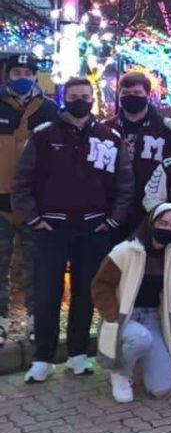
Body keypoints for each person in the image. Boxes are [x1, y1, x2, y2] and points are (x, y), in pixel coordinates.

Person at [15, 76, 134, 383]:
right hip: (51, 228)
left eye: (85, 95)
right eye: (74, 95)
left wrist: (112, 222)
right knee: (47, 294)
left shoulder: (110, 137)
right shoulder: (43, 135)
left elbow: (124, 185)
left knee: (85, 293)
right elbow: (23, 182)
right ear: (64, 98)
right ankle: (43, 357)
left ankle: (78, 354)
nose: (80, 100)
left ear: (93, 99)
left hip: (94, 229)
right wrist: (33, 219)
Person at [91, 203, 171, 403]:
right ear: (151, 222)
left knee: (163, 390)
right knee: (141, 339)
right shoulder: (125, 250)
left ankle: (138, 362)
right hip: (125, 316)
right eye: (163, 222)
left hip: (152, 318)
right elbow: (101, 285)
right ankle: (120, 372)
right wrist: (112, 315)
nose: (167, 228)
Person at [0, 53, 56, 347]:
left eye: (27, 72)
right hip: (0, 201)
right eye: (16, 72)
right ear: (7, 75)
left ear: (35, 76)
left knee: (37, 266)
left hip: (35, 203)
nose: (22, 77)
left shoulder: (49, 110)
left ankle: (38, 320)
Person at [104, 70, 171, 241]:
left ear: (147, 94)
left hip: (151, 209)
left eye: (137, 93)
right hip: (112, 209)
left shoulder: (167, 129)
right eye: (126, 93)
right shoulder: (106, 129)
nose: (131, 97)